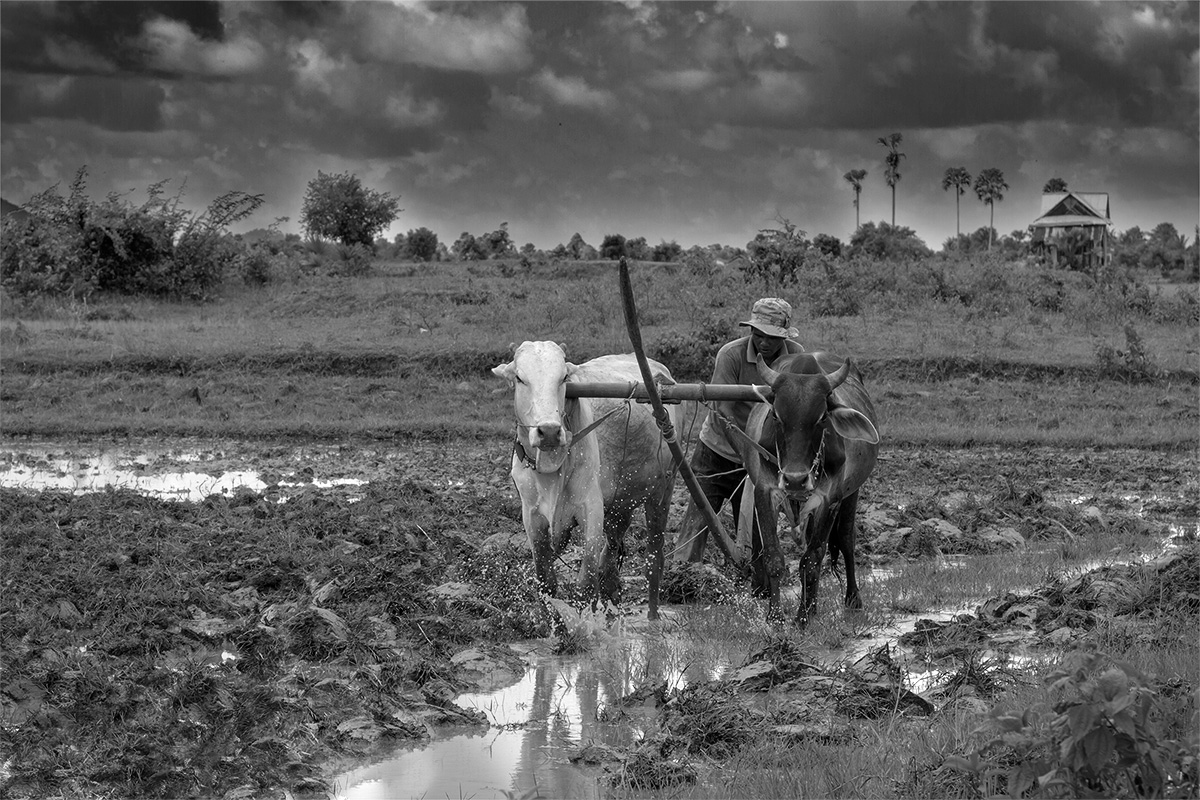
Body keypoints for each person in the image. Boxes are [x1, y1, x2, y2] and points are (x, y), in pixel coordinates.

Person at [674, 297, 805, 567]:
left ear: (783, 336)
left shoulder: (795, 355)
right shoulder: (730, 354)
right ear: (751, 331)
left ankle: (759, 574)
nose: (764, 342)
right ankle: (682, 573)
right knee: (700, 514)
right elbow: (723, 411)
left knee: (759, 522)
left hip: (765, 453)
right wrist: (746, 450)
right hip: (718, 449)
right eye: (758, 335)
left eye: (771, 337)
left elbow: (798, 406)